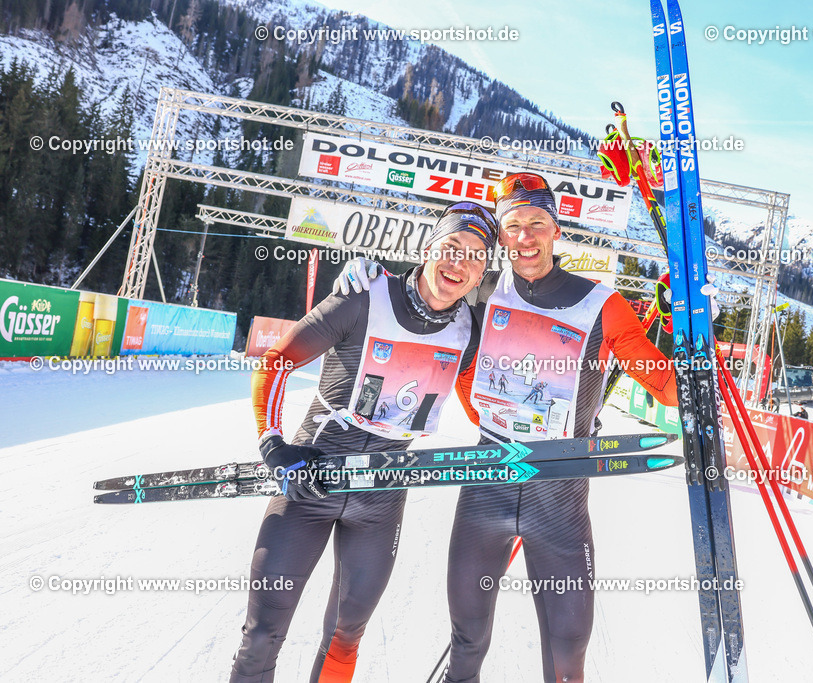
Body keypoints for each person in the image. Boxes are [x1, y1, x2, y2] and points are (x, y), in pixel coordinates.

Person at [336, 172, 678, 683]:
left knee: (567, 654)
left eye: (536, 222)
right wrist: (368, 274)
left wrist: (700, 340)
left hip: (559, 502)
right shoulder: (482, 293)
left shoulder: (600, 304)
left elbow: (663, 381)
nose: (524, 236)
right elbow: (420, 302)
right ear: (500, 234)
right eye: (512, 225)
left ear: (555, 229)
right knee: (467, 643)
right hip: (485, 491)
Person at [229, 201, 497, 683]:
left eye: (475, 256)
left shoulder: (469, 330)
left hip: (381, 497)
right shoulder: (364, 295)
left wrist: (548, 431)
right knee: (264, 631)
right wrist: (273, 445)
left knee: (346, 636)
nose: (459, 263)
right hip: (311, 481)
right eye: (451, 247)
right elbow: (276, 361)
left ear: (482, 273)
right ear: (428, 248)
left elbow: (483, 407)